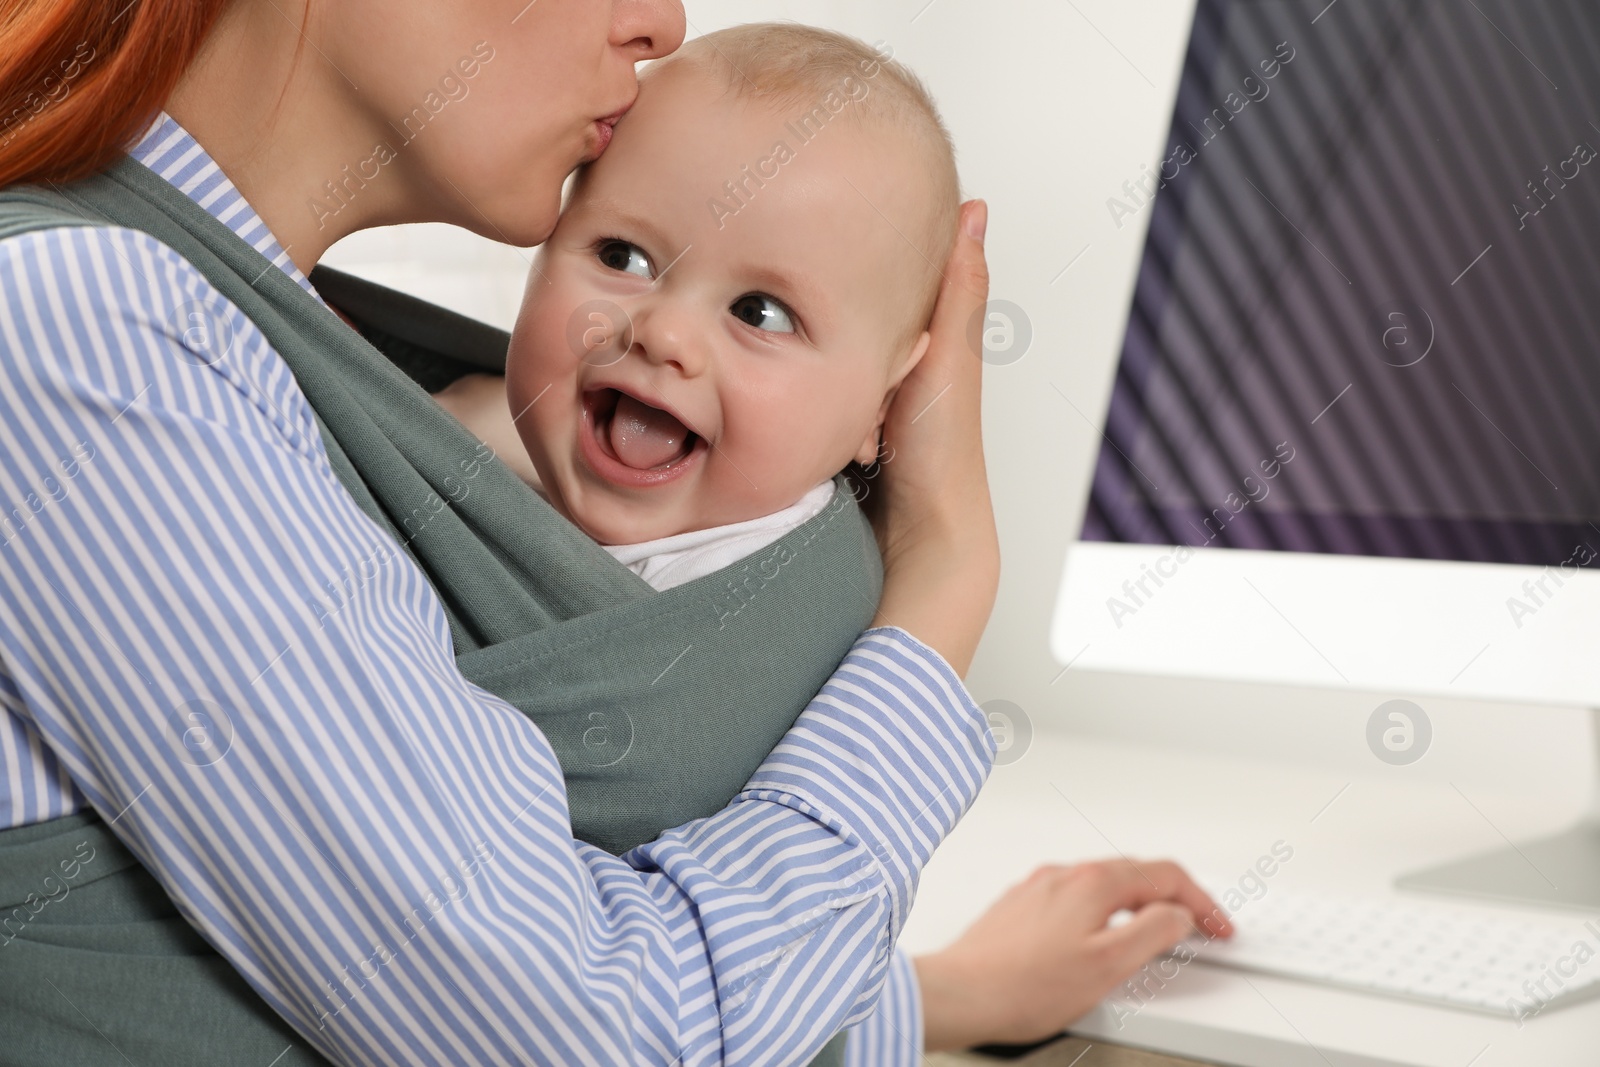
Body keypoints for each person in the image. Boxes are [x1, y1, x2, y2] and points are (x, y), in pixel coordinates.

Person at [0, 3, 1226, 1065]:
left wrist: (933, 994)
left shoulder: (255, 341)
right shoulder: (78, 331)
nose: (662, 21)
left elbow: (386, 918)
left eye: (758, 310)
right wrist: (945, 577)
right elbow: (603, 1036)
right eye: (625, 254)